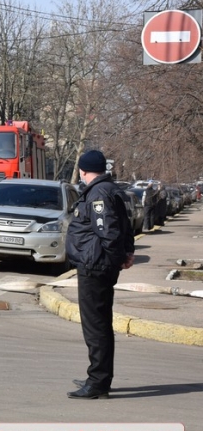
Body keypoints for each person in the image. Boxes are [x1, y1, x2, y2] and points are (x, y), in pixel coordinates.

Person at [65, 150, 135, 400]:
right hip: (98, 264)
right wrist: (127, 252)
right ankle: (98, 376)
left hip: (95, 266)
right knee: (100, 323)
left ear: (83, 171)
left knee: (95, 326)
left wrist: (116, 259)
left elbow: (109, 232)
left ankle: (98, 382)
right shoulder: (110, 189)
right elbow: (126, 225)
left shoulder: (98, 194)